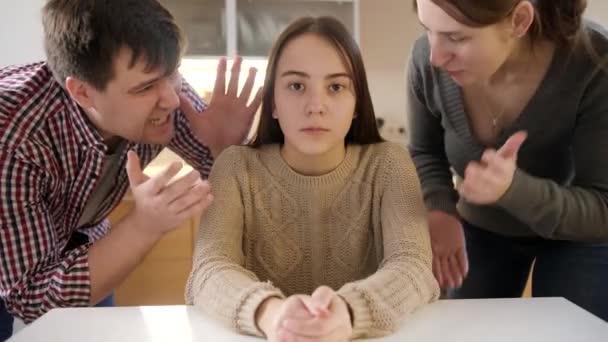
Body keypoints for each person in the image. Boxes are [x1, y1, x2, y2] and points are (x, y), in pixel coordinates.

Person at [0, 0, 261, 335]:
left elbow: (232, 181)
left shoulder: (162, 93)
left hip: (81, 238)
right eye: (146, 87)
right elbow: (30, 297)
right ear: (82, 92)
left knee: (98, 330)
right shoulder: (13, 139)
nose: (171, 98)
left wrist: (224, 148)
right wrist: (143, 225)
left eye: (173, 72)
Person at [185, 16, 439, 342]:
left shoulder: (390, 164)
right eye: (296, 86)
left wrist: (347, 312)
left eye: (336, 87)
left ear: (357, 102)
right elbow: (208, 270)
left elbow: (413, 266)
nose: (316, 106)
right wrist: (272, 313)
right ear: (273, 103)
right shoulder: (234, 167)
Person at [407, 0, 608, 320]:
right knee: (463, 330)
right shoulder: (425, 61)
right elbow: (424, 151)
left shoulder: (595, 61)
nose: (435, 56)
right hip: (480, 226)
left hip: (579, 233)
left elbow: (603, 208)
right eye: (427, 30)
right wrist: (440, 208)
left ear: (519, 20)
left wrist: (513, 190)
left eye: (456, 38)